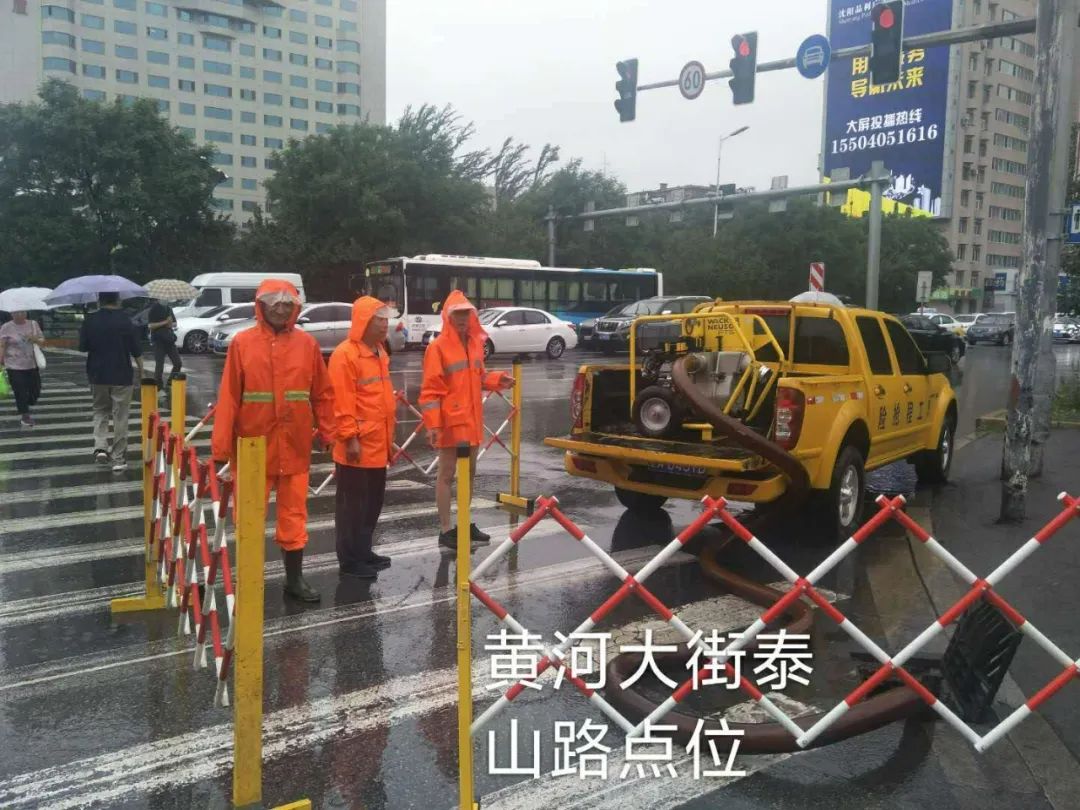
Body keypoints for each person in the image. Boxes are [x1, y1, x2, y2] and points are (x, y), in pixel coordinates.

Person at [211, 279, 335, 603]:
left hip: (294, 446)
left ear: (296, 308)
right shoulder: (242, 343)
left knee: (294, 517)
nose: (281, 308)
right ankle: (248, 582)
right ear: (261, 306)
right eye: (275, 303)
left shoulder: (307, 345)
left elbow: (322, 395)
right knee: (249, 516)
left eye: (288, 304)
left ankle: (294, 580)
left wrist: (329, 433)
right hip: (253, 447)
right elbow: (229, 398)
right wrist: (221, 449)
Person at [419, 290, 514, 550]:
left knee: (469, 474)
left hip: (471, 420)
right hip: (451, 422)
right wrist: (434, 426)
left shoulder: (473, 343)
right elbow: (430, 391)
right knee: (447, 475)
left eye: (466, 313)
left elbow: (479, 377)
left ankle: (463, 523)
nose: (462, 318)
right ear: (448, 317)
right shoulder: (438, 347)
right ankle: (446, 529)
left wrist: (498, 381)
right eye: (457, 314)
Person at [327, 296, 396, 579]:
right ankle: (350, 559)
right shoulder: (345, 355)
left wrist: (388, 438)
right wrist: (349, 438)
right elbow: (342, 403)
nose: (385, 325)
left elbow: (379, 402)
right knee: (352, 507)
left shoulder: (379, 352)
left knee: (371, 504)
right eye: (379, 321)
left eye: (386, 320)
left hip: (377, 443)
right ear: (364, 322)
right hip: (356, 446)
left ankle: (364, 551)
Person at [79, 292, 143, 472]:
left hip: (97, 374)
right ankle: (118, 458)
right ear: (118, 300)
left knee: (100, 410)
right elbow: (136, 350)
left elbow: (83, 347)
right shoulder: (126, 321)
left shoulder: (89, 320)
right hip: (122, 374)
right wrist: (142, 372)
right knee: (120, 415)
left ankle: (100, 447)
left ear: (99, 301)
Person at [0, 311, 45, 428]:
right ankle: (25, 416)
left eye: (22, 312)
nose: (20, 314)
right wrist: (1, 361)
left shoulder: (33, 324)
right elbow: (2, 345)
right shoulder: (6, 327)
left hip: (31, 364)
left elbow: (42, 342)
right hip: (13, 365)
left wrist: (33, 338)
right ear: (12, 314)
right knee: (19, 390)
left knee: (35, 390)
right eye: (16, 313)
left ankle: (28, 402)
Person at [147, 297, 182, 393]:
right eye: (163, 297)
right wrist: (165, 322)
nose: (165, 299)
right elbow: (150, 325)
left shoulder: (169, 308)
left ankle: (171, 382)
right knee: (159, 364)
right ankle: (158, 386)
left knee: (178, 363)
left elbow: (174, 323)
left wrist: (171, 324)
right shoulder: (154, 309)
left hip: (169, 339)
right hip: (158, 340)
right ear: (158, 298)